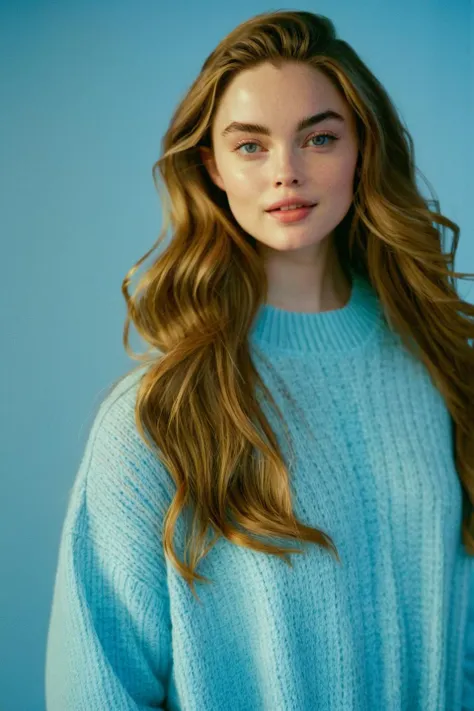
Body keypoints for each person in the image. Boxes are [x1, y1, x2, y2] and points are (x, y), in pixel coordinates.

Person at [45, 9, 474, 711]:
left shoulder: (440, 367)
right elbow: (95, 688)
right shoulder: (157, 415)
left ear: (362, 149)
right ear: (211, 166)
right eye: (251, 146)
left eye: (320, 137)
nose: (288, 172)